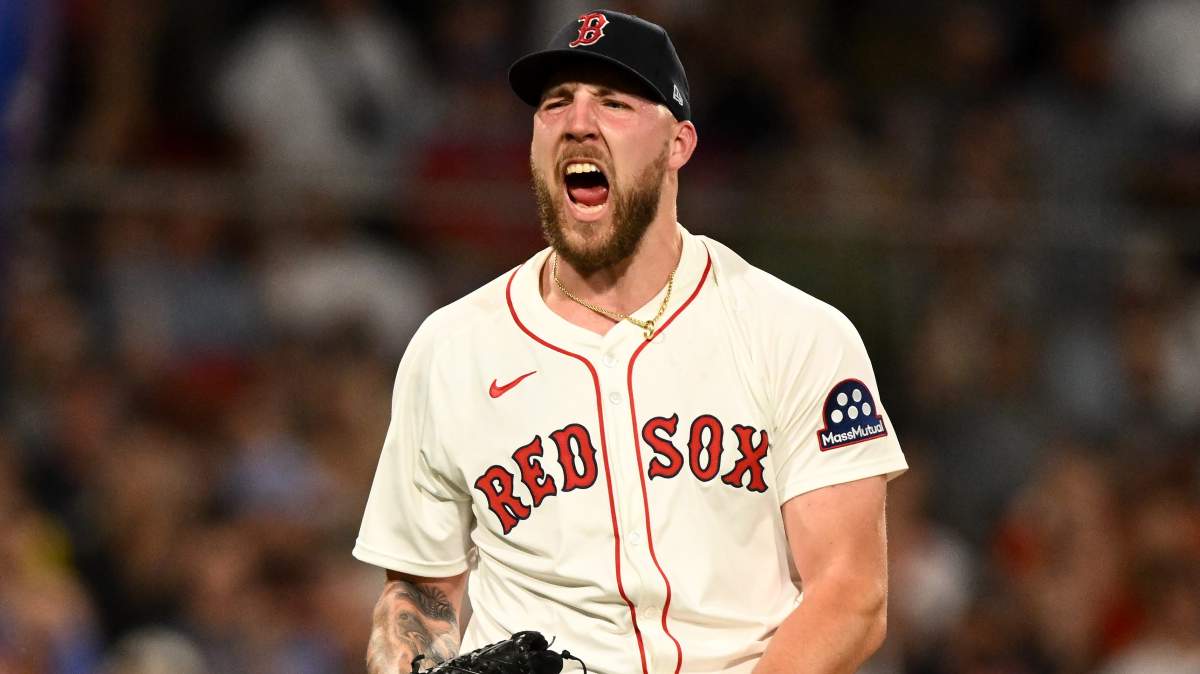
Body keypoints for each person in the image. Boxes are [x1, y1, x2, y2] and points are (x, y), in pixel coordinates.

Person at [353, 10, 907, 674]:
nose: (577, 122)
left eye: (613, 103)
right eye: (555, 103)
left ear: (678, 144)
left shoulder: (796, 333)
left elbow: (851, 594)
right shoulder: (452, 348)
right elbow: (418, 592)